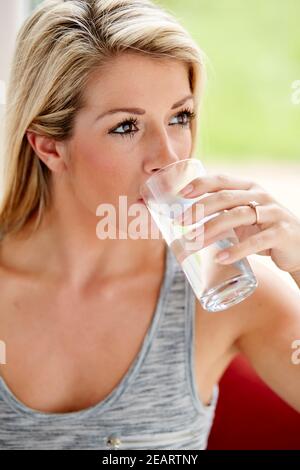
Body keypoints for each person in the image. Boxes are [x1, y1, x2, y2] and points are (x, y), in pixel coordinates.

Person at [0, 0, 299, 450]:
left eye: (180, 117)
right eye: (126, 127)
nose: (170, 156)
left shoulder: (221, 288)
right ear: (49, 147)